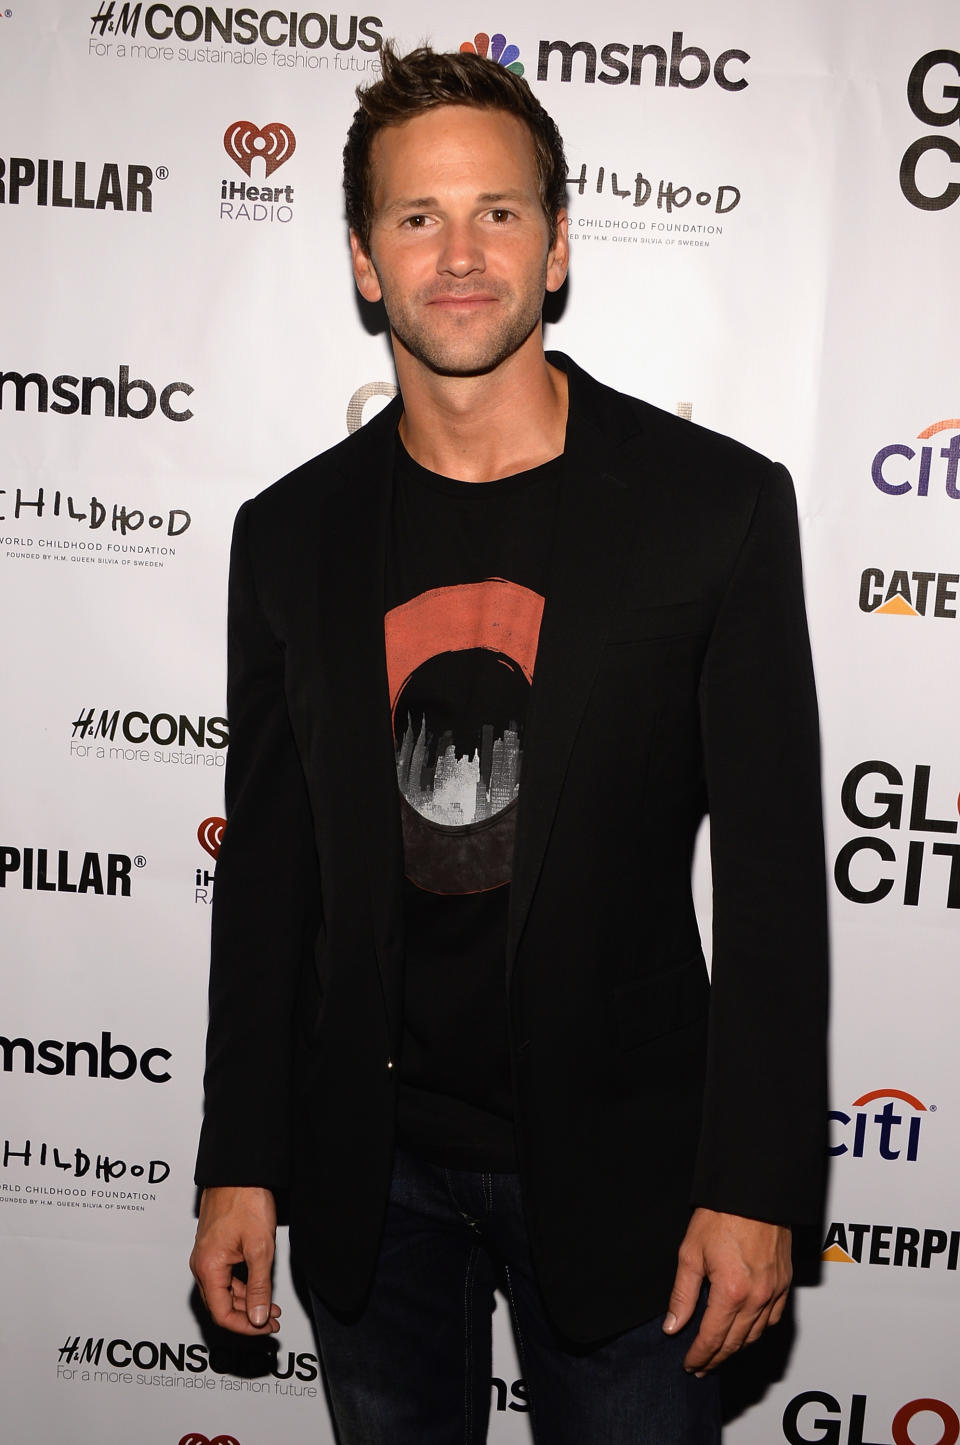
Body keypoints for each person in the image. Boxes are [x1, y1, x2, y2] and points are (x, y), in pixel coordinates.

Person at [190, 43, 828, 1444]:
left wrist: (759, 1181)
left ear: (555, 250)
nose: (459, 253)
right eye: (417, 218)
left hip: (632, 1177)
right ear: (365, 262)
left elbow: (778, 881)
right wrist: (237, 1160)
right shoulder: (286, 536)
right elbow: (272, 876)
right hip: (374, 1179)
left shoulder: (713, 509)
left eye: (497, 212)